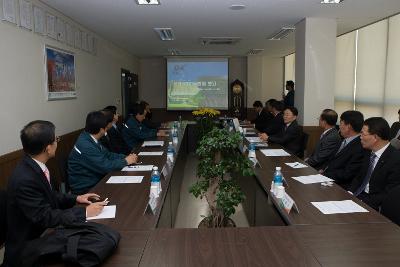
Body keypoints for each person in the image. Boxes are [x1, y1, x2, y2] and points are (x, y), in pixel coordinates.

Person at [4, 120, 107, 267]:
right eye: (56, 139)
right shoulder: (25, 179)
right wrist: (84, 213)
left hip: (44, 235)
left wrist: (76, 198)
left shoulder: (34, 165)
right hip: (28, 250)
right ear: (48, 148)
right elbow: (44, 216)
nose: (57, 142)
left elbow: (51, 196)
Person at [68, 111, 138, 194]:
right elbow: (105, 166)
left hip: (96, 179)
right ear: (102, 129)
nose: (109, 127)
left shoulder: (89, 137)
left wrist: (125, 157)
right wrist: (126, 161)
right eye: (107, 126)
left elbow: (108, 154)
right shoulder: (86, 145)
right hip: (86, 188)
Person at [349, 117, 400, 210]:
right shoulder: (368, 152)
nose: (360, 137)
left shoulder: (396, 159)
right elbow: (359, 177)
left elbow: (389, 193)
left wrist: (362, 203)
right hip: (358, 197)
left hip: (375, 205)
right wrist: (350, 193)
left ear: (375, 137)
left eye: (363, 134)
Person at [323, 111, 366, 190]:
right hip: (327, 179)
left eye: (341, 123)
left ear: (348, 126)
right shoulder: (343, 140)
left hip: (339, 186)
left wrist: (324, 175)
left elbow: (347, 174)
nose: (339, 126)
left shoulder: (360, 147)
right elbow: (332, 159)